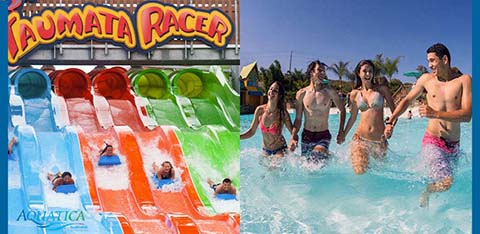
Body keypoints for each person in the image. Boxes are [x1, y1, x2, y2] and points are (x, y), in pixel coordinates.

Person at [384, 43, 471, 207]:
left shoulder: (464, 80)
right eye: (428, 61)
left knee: (447, 181)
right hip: (433, 141)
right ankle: (427, 191)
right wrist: (391, 121)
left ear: (445, 59)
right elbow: (407, 100)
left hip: (454, 145)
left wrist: (436, 113)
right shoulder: (426, 80)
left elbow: (467, 116)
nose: (430, 65)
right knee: (446, 182)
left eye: (432, 61)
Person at [342, 60, 395, 174]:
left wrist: (390, 125)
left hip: (379, 141)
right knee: (360, 172)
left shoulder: (382, 89)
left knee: (378, 176)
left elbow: (395, 112)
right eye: (364, 71)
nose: (367, 74)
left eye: (370, 71)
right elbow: (352, 118)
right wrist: (343, 134)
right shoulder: (354, 94)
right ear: (358, 73)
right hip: (360, 139)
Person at [289, 60, 346, 163]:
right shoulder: (301, 94)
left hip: (323, 135)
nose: (322, 73)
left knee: (316, 158)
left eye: (324, 71)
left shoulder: (330, 92)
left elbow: (342, 110)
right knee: (307, 167)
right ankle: (328, 156)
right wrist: (293, 136)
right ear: (311, 72)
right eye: (319, 70)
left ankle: (323, 152)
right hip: (306, 136)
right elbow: (298, 119)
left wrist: (341, 131)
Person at [241, 81, 294, 158]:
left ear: (279, 96)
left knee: (274, 166)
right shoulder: (260, 110)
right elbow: (252, 131)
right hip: (265, 150)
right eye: (270, 89)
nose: (271, 92)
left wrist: (292, 143)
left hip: (280, 149)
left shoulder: (283, 113)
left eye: (275, 91)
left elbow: (293, 133)